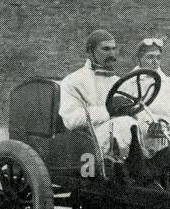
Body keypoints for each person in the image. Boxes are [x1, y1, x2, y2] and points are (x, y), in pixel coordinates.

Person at [58, 29, 148, 163]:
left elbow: (133, 111)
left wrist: (147, 122)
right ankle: (138, 167)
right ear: (90, 52)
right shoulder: (73, 81)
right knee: (124, 123)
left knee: (152, 129)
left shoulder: (117, 81)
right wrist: (108, 110)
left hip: (118, 137)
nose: (112, 54)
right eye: (106, 49)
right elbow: (71, 120)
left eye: (113, 49)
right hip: (88, 142)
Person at [121, 36, 170, 182]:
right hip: (142, 145)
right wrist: (147, 127)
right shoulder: (128, 84)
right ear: (139, 58)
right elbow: (124, 116)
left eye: (158, 57)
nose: (155, 61)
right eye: (150, 57)